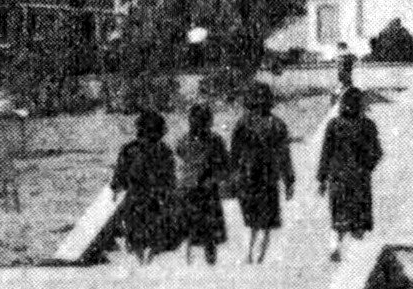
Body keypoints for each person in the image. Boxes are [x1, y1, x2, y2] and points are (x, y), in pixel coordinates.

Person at [230, 82, 295, 264]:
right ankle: (259, 257)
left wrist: (232, 178)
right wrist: (289, 181)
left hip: (247, 176)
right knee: (266, 222)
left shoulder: (242, 123)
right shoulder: (278, 125)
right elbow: (284, 157)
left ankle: (248, 254)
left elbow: (234, 154)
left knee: (250, 220)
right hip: (269, 177)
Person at [317, 87, 383, 262]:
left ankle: (335, 245)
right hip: (359, 178)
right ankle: (355, 258)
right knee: (359, 220)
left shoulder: (333, 125)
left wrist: (322, 179)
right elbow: (377, 152)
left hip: (337, 178)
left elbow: (326, 153)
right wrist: (367, 167)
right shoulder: (367, 125)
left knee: (338, 216)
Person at [109, 110, 177, 265]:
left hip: (135, 201)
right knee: (155, 236)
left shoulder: (129, 149)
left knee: (136, 237)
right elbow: (171, 181)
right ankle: (149, 259)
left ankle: (141, 260)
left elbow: (119, 177)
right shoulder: (164, 150)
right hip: (156, 202)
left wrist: (116, 188)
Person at [173, 102, 229, 264]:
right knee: (207, 227)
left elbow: (180, 157)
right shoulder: (215, 141)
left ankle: (192, 254)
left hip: (192, 187)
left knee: (192, 223)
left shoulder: (185, 141)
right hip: (204, 188)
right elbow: (225, 165)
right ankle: (207, 255)